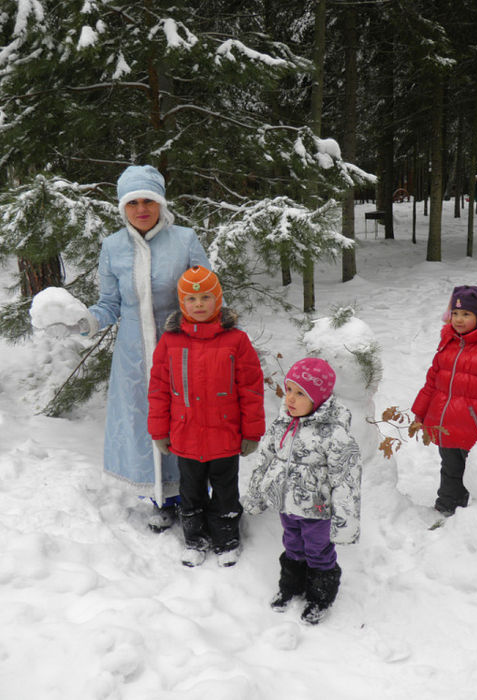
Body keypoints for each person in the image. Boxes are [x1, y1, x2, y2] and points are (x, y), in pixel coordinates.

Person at [80, 165, 211, 532]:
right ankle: (159, 497)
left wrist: (201, 336)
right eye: (132, 202)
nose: (141, 209)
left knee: (185, 419)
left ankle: (192, 494)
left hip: (182, 348)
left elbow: (209, 293)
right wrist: (84, 320)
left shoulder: (184, 240)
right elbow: (109, 304)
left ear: (160, 203)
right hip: (133, 355)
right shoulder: (113, 246)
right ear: (122, 207)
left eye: (148, 201)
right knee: (144, 420)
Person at [147, 265, 265, 567]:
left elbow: (251, 389)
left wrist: (252, 432)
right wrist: (159, 431)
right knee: (191, 492)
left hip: (225, 435)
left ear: (219, 299)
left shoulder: (236, 341)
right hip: (185, 436)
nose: (199, 304)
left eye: (206, 297)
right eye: (191, 299)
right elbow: (159, 389)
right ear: (182, 303)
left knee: (225, 491)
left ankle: (226, 539)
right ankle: (195, 540)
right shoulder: (170, 342)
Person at [244, 358, 362, 625]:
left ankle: (320, 596)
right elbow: (265, 459)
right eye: (288, 391)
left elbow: (346, 480)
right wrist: (255, 495)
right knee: (292, 544)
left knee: (318, 550)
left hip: (317, 510)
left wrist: (346, 523)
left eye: (300, 393)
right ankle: (291, 586)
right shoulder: (283, 423)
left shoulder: (334, 434)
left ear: (318, 398)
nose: (290, 400)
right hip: (287, 505)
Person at [412, 285, 477, 518]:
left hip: (474, 427)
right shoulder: (448, 344)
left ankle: (474, 515)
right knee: (450, 469)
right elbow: (432, 382)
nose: (459, 319)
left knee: (473, 471)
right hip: (445, 424)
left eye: (466, 314)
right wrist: (420, 413)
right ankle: (446, 507)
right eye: (455, 314)